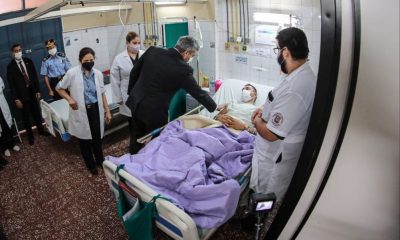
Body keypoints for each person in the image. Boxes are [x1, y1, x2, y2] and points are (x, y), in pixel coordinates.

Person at [249, 27, 317, 201]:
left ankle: (257, 225)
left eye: (277, 49)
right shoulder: (299, 76)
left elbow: (272, 134)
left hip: (275, 155)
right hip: (272, 151)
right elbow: (281, 104)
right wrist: (265, 109)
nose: (277, 54)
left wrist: (256, 121)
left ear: (285, 52)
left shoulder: (296, 88)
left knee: (265, 197)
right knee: (262, 192)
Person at [126, 36, 220, 154]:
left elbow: (134, 71)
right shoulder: (183, 69)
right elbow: (198, 93)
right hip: (155, 112)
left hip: (137, 102)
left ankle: (132, 160)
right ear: (186, 53)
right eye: (192, 56)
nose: (191, 58)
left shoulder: (153, 50)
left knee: (136, 136)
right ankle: (152, 166)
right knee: (156, 143)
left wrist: (133, 93)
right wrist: (215, 107)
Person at [56, 47, 112, 175]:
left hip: (96, 110)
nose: (89, 62)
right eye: (86, 60)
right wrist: (69, 99)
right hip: (81, 111)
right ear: (80, 60)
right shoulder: (72, 73)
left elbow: (103, 93)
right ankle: (90, 165)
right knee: (84, 141)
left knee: (97, 138)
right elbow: (59, 88)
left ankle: (99, 160)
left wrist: (107, 111)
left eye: (91, 60)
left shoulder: (97, 74)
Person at [7, 43, 50, 145]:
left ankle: (41, 131)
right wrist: (16, 99)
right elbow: (11, 84)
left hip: (32, 92)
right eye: (16, 51)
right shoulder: (10, 67)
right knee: (25, 117)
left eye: (19, 50)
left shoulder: (28, 61)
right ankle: (30, 137)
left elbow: (34, 77)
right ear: (12, 53)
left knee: (36, 113)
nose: (18, 52)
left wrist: (38, 90)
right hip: (21, 96)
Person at [110, 32, 145, 154]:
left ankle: (143, 144)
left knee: (143, 121)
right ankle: (135, 149)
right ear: (127, 43)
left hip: (143, 94)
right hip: (128, 95)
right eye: (134, 43)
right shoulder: (119, 58)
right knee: (133, 123)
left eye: (138, 43)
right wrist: (118, 98)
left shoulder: (144, 55)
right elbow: (114, 80)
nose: (137, 45)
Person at [0, 76, 20, 157]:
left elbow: (1, 88)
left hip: (2, 104)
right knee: (0, 129)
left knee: (7, 125)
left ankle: (12, 144)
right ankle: (4, 148)